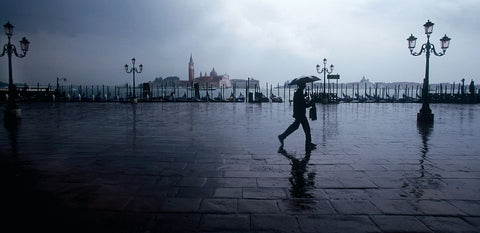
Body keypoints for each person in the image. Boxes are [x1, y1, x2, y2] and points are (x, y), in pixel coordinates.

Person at [278, 82, 317, 150]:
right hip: (300, 113)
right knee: (306, 128)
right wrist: (310, 103)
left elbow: (300, 102)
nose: (305, 85)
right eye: (304, 84)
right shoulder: (299, 93)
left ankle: (283, 136)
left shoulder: (299, 92)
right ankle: (308, 143)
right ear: (301, 85)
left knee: (295, 126)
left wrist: (304, 97)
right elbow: (303, 105)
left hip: (299, 113)